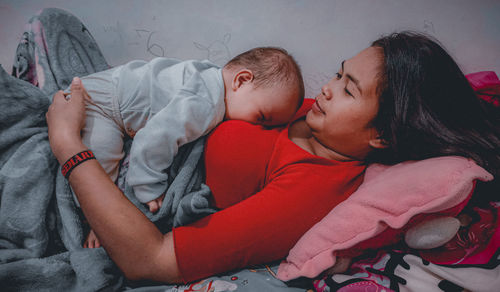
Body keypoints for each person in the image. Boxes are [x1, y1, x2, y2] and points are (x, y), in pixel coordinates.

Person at [46, 30, 499, 284]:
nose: (326, 87)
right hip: (139, 136)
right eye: (340, 72)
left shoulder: (311, 188)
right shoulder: (312, 116)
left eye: (347, 89)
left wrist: (69, 146)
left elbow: (151, 261)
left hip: (121, 184)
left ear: (382, 135)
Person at [67, 47, 304, 247]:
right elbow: (153, 139)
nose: (257, 127)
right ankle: (96, 221)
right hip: (99, 104)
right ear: (241, 81)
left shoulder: (210, 77)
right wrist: (149, 187)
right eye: (261, 117)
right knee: (99, 165)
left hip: (108, 90)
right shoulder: (206, 103)